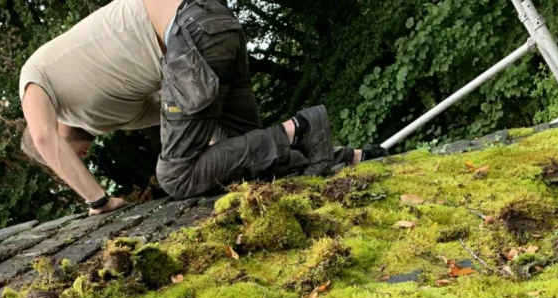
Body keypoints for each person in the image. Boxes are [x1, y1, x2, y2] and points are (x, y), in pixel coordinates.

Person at [20, 0, 385, 215]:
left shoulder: (34, 76)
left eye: (70, 161)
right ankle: (349, 157)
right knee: (246, 162)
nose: (79, 160)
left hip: (187, 29)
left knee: (175, 177)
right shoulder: (105, 112)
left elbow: (42, 136)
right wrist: (216, 156)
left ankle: (301, 127)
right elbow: (190, 116)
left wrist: (97, 202)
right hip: (214, 29)